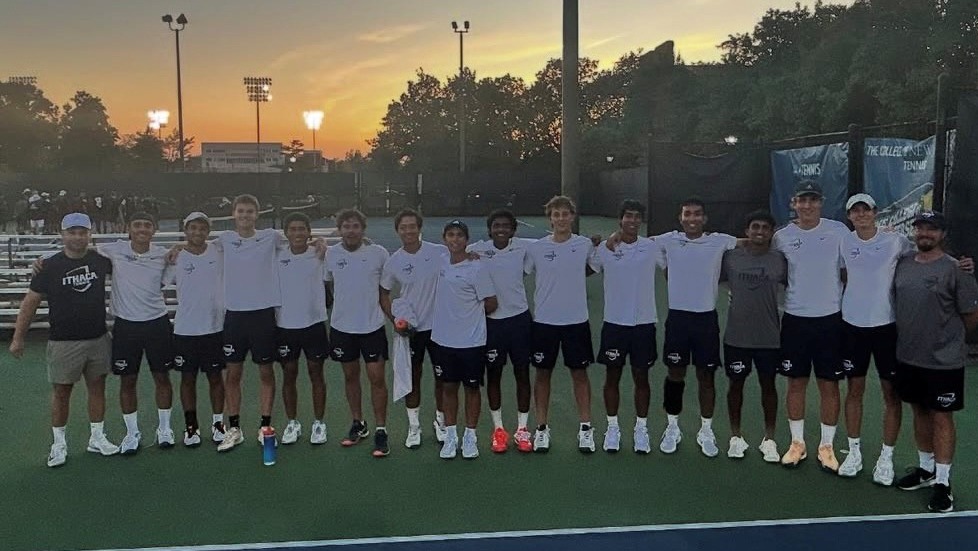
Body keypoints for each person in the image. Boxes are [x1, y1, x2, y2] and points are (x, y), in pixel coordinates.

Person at [9, 212, 120, 467]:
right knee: (61, 392)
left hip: (97, 337)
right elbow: (30, 303)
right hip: (62, 341)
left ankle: (97, 437)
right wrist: (18, 338)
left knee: (97, 388)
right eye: (72, 232)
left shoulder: (100, 261)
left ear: (89, 234)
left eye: (83, 232)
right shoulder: (48, 266)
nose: (78, 237)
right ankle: (58, 444)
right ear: (63, 234)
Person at [892, 211, 978, 513]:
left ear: (942, 234)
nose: (925, 233)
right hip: (908, 357)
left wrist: (949, 343)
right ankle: (926, 470)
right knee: (919, 411)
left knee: (942, 417)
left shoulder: (958, 270)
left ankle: (943, 482)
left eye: (932, 229)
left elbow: (970, 316)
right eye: (920, 228)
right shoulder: (902, 264)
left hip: (944, 362)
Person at [836, 193, 912, 482]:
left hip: (886, 328)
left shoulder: (895, 240)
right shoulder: (844, 241)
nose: (860, 214)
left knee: (891, 394)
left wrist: (959, 263)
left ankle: (886, 458)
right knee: (854, 391)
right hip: (852, 327)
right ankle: (853, 452)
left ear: (875, 212)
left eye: (865, 209)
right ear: (850, 216)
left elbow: (924, 254)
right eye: (855, 211)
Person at [774, 181, 849, 470]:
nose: (807, 205)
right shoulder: (782, 236)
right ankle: (797, 444)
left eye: (812, 200)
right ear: (793, 203)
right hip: (794, 319)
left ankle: (827, 447)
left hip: (831, 320)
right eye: (802, 200)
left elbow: (849, 270)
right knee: (796, 383)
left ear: (821, 202)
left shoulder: (838, 231)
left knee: (829, 385)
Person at [655, 198, 737, 457]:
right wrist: (611, 238)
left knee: (706, 377)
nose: (692, 218)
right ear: (680, 218)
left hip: (706, 320)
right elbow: (632, 240)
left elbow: (752, 242)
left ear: (705, 218)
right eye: (687, 214)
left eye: (697, 214)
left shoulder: (720, 240)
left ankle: (706, 430)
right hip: (678, 319)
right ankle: (672, 427)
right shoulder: (667, 240)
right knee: (675, 375)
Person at [212, 195, 288, 452]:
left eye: (250, 211)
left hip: (263, 316)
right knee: (233, 374)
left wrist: (323, 242)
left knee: (266, 372)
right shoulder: (224, 240)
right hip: (234, 316)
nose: (245, 215)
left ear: (257, 214)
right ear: (233, 213)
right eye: (241, 211)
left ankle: (265, 426)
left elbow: (301, 242)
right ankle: (234, 429)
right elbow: (196, 246)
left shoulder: (271, 237)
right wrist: (177, 249)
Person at [98, 212, 175, 454]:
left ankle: (164, 429)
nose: (142, 229)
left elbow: (169, 275)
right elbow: (80, 248)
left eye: (147, 225)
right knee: (127, 380)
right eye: (137, 225)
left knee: (162, 377)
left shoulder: (164, 254)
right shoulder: (113, 249)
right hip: (126, 326)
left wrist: (180, 247)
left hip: (157, 324)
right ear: (128, 229)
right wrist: (42, 260)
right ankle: (132, 434)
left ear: (154, 230)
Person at [524, 195, 596, 453]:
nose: (561, 219)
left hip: (576, 322)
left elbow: (595, 265)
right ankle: (542, 428)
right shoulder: (536, 248)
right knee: (542, 374)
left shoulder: (584, 244)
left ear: (572, 217)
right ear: (550, 219)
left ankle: (586, 428)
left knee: (580, 374)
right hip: (544, 322)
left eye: (566, 214)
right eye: (556, 214)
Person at [589, 200, 660, 454]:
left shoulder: (652, 247)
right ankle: (612, 428)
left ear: (641, 221)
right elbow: (588, 269)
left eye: (637, 217)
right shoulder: (607, 248)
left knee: (642, 377)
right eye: (628, 216)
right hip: (614, 324)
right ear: (620, 220)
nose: (632, 221)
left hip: (643, 324)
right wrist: (594, 243)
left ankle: (641, 429)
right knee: (612, 377)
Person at [325, 208, 392, 457]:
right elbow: (328, 284)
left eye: (355, 226)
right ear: (340, 230)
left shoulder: (379, 253)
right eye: (346, 226)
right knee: (350, 377)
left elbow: (385, 291)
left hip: (372, 328)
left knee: (377, 379)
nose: (350, 230)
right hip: (342, 328)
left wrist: (395, 320)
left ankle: (381, 429)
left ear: (363, 229)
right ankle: (358, 423)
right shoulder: (330, 254)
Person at [720, 210, 786, 461]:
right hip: (736, 337)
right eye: (755, 227)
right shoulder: (731, 258)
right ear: (747, 231)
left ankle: (769, 439)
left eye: (765, 228)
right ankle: (736, 437)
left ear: (771, 232)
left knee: (768, 386)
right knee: (735, 385)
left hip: (769, 337)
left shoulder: (780, 260)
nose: (759, 232)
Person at [467, 208, 535, 453]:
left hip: (519, 321)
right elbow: (450, 251)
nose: (501, 229)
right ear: (490, 229)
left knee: (522, 374)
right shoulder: (478, 249)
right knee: (493, 375)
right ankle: (498, 430)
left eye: (506, 226)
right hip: (491, 323)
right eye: (496, 225)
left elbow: (554, 242)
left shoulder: (523, 247)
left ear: (513, 230)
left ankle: (522, 429)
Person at [379, 209, 447, 449]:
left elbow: (462, 257)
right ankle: (414, 426)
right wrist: (395, 321)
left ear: (420, 228)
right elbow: (384, 294)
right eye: (403, 227)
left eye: (412, 226)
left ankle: (441, 422)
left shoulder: (439, 252)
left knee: (442, 378)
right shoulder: (394, 261)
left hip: (439, 328)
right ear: (398, 231)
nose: (408, 231)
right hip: (412, 330)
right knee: (413, 377)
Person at [432, 220, 498, 459]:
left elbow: (491, 303)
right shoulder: (439, 261)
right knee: (448, 387)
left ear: (466, 240)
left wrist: (468, 318)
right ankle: (451, 436)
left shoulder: (477, 267)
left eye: (460, 235)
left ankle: (470, 436)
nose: (455, 239)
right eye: (451, 234)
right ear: (444, 239)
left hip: (472, 341)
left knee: (471, 388)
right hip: (442, 339)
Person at [167, 212, 227, 447]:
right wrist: (177, 247)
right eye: (193, 228)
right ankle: (191, 428)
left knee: (215, 378)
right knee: (187, 379)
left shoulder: (218, 251)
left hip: (214, 328)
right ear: (186, 231)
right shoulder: (175, 257)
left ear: (208, 232)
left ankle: (218, 424)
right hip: (185, 329)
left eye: (202, 228)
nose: (197, 232)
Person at [276, 212, 329, 446]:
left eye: (302, 229)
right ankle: (292, 423)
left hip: (314, 325)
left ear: (309, 232)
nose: (297, 233)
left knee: (316, 373)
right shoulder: (276, 255)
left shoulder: (319, 254)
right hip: (285, 326)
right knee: (289, 374)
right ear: (286, 233)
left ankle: (319, 423)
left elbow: (356, 245)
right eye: (293, 229)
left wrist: (322, 241)